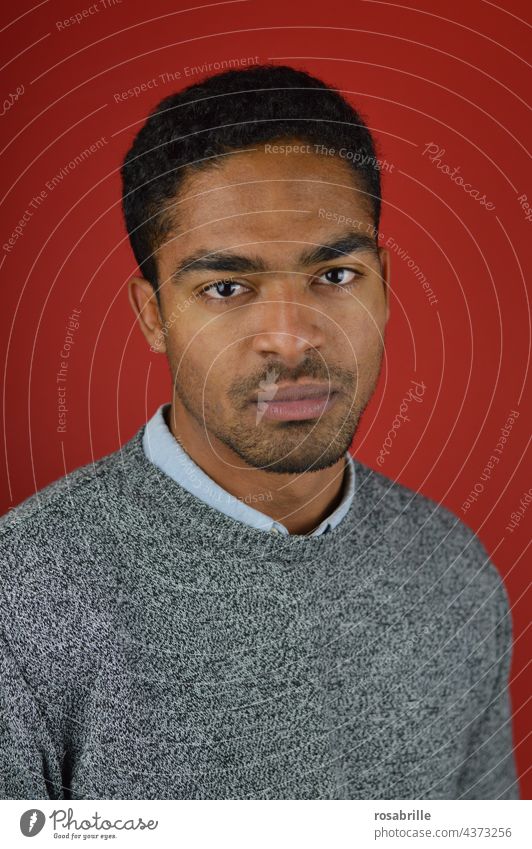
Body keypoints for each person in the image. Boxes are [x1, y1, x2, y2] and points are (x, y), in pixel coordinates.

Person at [0, 65, 519, 800]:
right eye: (226, 288)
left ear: (385, 284)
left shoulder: (453, 573)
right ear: (152, 315)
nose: (290, 338)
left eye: (335, 275)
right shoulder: (23, 598)